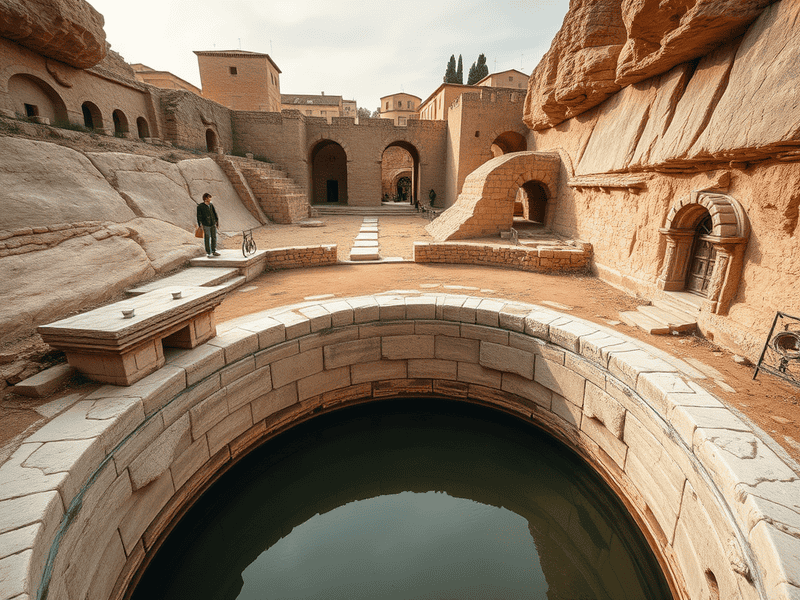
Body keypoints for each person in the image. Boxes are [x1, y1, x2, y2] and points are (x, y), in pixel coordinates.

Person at [197, 192, 220, 258]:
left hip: (212, 223)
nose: (210, 198)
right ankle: (208, 252)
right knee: (207, 238)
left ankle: (214, 251)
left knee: (214, 237)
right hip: (206, 224)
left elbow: (214, 213)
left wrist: (217, 222)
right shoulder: (200, 206)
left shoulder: (211, 205)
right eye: (209, 197)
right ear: (206, 198)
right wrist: (200, 224)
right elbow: (199, 216)